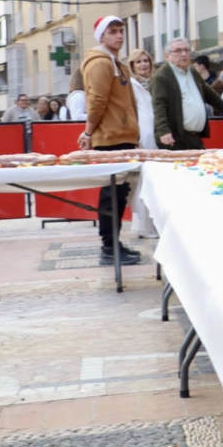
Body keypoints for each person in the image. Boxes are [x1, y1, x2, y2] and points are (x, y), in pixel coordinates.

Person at [77, 16, 142, 266]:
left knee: (118, 194)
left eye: (121, 31)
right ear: (101, 37)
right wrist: (89, 132)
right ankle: (108, 246)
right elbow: (97, 100)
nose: (119, 36)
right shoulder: (101, 64)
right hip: (111, 137)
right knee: (112, 194)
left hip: (122, 136)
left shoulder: (115, 63)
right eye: (113, 32)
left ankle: (113, 244)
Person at [150, 38, 223, 150]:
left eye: (186, 50)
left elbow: (210, 95)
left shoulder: (192, 71)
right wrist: (163, 131)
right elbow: (159, 106)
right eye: (178, 51)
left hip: (195, 138)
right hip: (174, 139)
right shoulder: (161, 77)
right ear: (167, 56)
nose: (183, 54)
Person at [126, 49, 158, 150]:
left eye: (145, 60)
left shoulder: (156, 82)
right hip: (141, 134)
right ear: (132, 66)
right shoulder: (129, 85)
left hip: (158, 132)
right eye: (138, 62)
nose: (143, 64)